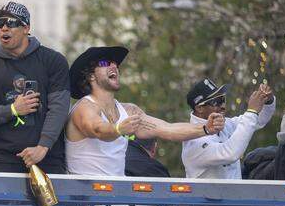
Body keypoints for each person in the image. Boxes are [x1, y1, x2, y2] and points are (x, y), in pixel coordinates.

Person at [65, 46, 224, 176]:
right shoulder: (84, 107)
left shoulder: (129, 110)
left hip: (115, 196)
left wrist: (205, 128)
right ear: (91, 76)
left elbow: (168, 129)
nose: (114, 66)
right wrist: (118, 128)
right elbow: (97, 129)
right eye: (107, 63)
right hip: (83, 200)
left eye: (116, 64)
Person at [0, 2, 70, 173]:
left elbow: (59, 108)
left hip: (47, 158)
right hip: (4, 160)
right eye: (0, 24)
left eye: (11, 23)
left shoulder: (53, 60)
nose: (4, 28)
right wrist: (13, 109)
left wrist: (43, 146)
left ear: (26, 27)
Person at [181, 79, 276, 179]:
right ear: (199, 108)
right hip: (207, 195)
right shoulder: (194, 141)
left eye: (222, 99)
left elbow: (258, 120)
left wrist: (267, 101)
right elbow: (229, 153)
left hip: (233, 193)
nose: (222, 106)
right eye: (216, 102)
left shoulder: (224, 123)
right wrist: (252, 111)